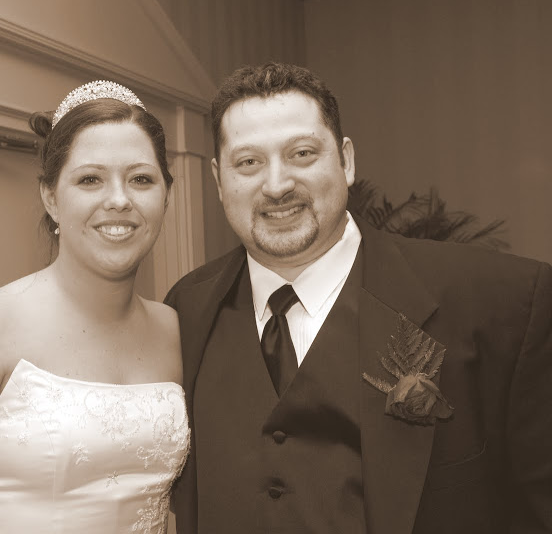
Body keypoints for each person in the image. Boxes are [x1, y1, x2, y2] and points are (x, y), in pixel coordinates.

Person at [165, 62, 552, 533]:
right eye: (248, 162)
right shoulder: (185, 310)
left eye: (302, 153)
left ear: (346, 161)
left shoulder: (502, 302)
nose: (277, 185)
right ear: (218, 179)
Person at [0, 80, 189, 534]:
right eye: (90, 179)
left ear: (166, 195)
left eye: (141, 179)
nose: (119, 200)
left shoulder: (176, 329)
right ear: (51, 197)